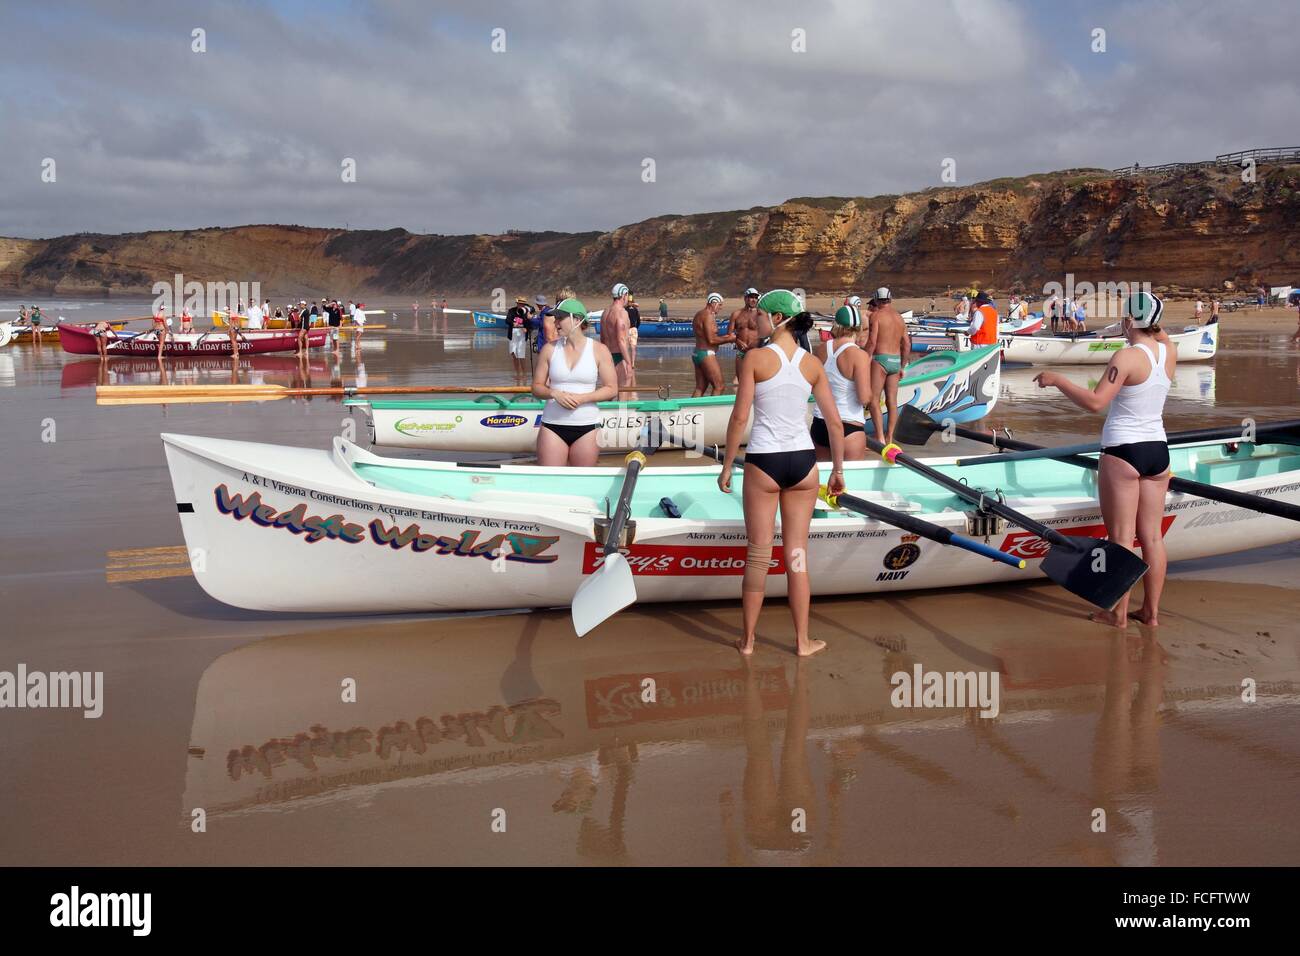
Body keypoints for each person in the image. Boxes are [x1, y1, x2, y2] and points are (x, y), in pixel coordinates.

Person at [718, 289, 845, 658]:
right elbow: (834, 423)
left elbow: (740, 418)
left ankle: (748, 641)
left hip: (765, 462)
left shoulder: (755, 358)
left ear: (775, 319)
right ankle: (803, 642)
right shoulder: (812, 363)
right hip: (804, 464)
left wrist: (727, 465)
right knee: (796, 554)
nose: (753, 319)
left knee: (759, 553)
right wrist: (837, 470)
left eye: (759, 315)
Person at [1034, 292, 1172, 627]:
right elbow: (1161, 333)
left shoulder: (1126, 357)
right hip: (1158, 451)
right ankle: (1151, 614)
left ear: (1127, 321)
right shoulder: (1170, 351)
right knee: (1152, 537)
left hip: (1124, 451)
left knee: (1122, 538)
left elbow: (1097, 402)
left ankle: (1118, 614)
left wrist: (1058, 380)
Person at [532, 298, 618, 466]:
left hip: (587, 427)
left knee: (582, 483)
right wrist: (553, 393)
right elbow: (536, 387)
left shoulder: (600, 350)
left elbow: (612, 389)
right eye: (554, 318)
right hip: (552, 426)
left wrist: (582, 399)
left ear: (577, 320)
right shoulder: (549, 349)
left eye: (560, 318)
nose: (555, 323)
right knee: (550, 483)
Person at [811, 305, 873, 460]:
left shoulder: (820, 349)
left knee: (824, 482)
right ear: (858, 328)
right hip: (848, 425)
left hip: (820, 424)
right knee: (850, 483)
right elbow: (864, 397)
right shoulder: (859, 355)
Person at [864, 288, 912, 446]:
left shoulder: (876, 316)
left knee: (874, 400)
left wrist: (865, 359)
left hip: (880, 359)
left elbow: (872, 342)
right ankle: (890, 437)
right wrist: (902, 366)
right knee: (892, 401)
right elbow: (907, 344)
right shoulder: (899, 318)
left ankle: (879, 438)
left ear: (877, 300)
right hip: (895, 361)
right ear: (890, 300)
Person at [691, 292, 736, 396]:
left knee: (700, 388)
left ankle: (693, 410)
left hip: (697, 353)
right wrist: (730, 339)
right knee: (719, 386)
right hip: (706, 354)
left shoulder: (699, 314)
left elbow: (706, 337)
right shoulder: (708, 316)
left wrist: (726, 337)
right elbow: (711, 340)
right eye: (720, 305)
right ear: (713, 303)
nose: (721, 308)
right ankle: (712, 410)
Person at [602, 283, 634, 386]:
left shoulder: (605, 313)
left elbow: (602, 338)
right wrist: (629, 363)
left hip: (607, 357)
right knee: (623, 396)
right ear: (624, 295)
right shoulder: (621, 313)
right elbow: (621, 340)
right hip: (619, 357)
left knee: (608, 394)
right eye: (627, 295)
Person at [729, 288, 762, 386]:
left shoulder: (760, 314)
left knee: (757, 382)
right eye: (751, 297)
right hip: (741, 352)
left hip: (756, 352)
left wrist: (757, 343)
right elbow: (730, 334)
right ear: (745, 298)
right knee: (741, 382)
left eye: (756, 298)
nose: (754, 300)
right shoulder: (736, 314)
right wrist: (737, 341)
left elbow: (767, 333)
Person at [506, 296, 533, 374]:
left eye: (523, 304)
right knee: (513, 353)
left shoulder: (527, 312)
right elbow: (507, 320)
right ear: (517, 303)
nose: (521, 305)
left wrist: (527, 329)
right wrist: (512, 323)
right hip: (513, 334)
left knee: (521, 355)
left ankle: (524, 373)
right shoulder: (512, 311)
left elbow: (530, 323)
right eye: (520, 304)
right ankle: (518, 372)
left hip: (522, 335)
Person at [625, 294, 641, 368]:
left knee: (626, 347)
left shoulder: (625, 309)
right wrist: (636, 327)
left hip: (627, 329)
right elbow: (639, 321)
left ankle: (627, 363)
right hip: (634, 329)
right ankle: (633, 364)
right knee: (633, 348)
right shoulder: (636, 310)